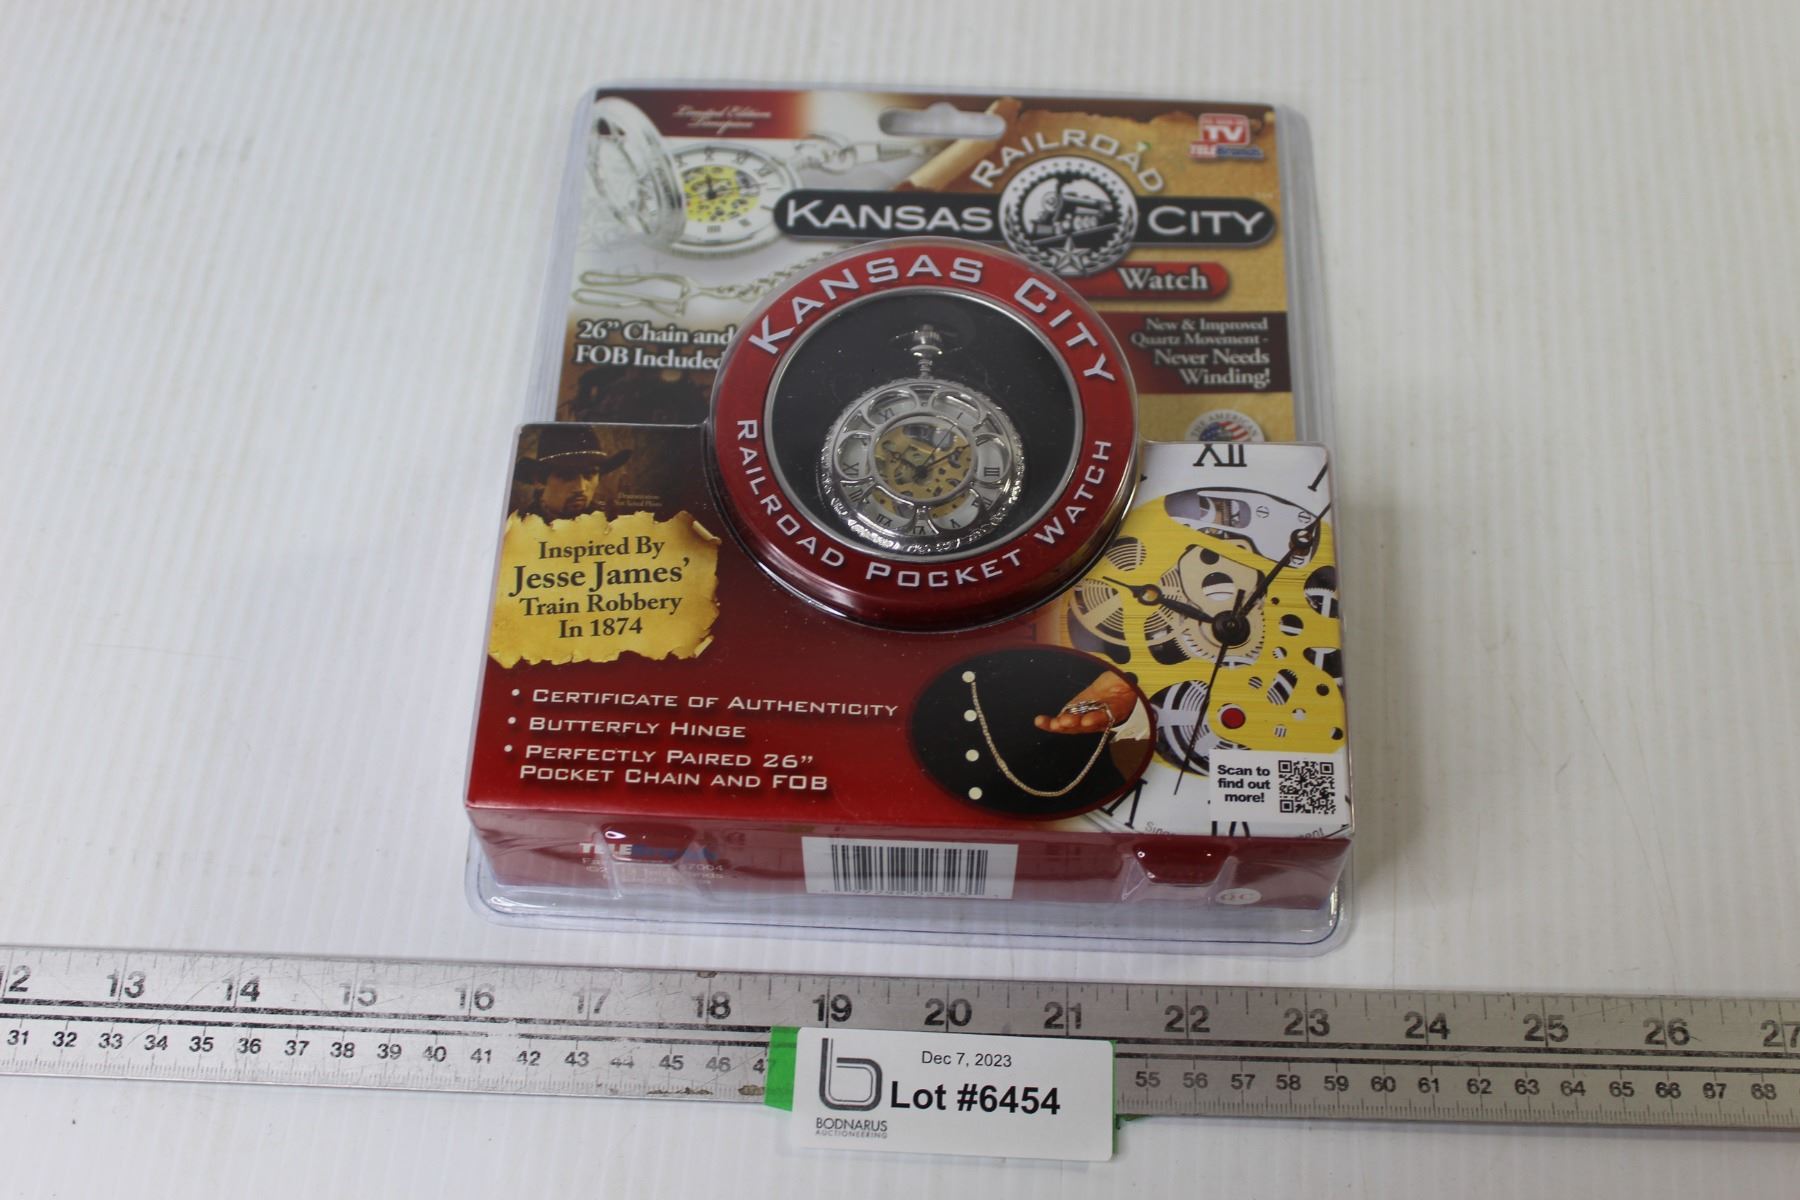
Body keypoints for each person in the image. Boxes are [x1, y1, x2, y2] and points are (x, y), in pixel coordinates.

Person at [529, 426, 632, 520]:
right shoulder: (522, 527)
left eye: (590, 474)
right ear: (538, 481)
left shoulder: (609, 525)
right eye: (567, 476)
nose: (581, 488)